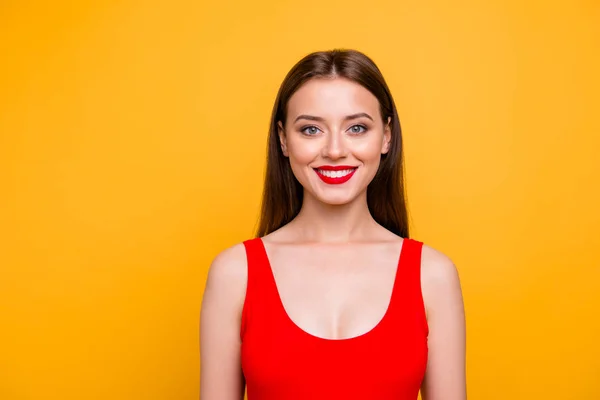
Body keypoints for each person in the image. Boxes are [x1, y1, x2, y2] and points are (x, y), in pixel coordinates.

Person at [200, 49, 466, 400]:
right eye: (311, 129)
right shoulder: (234, 274)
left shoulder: (433, 275)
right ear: (283, 139)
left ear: (386, 136)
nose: (336, 150)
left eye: (357, 128)